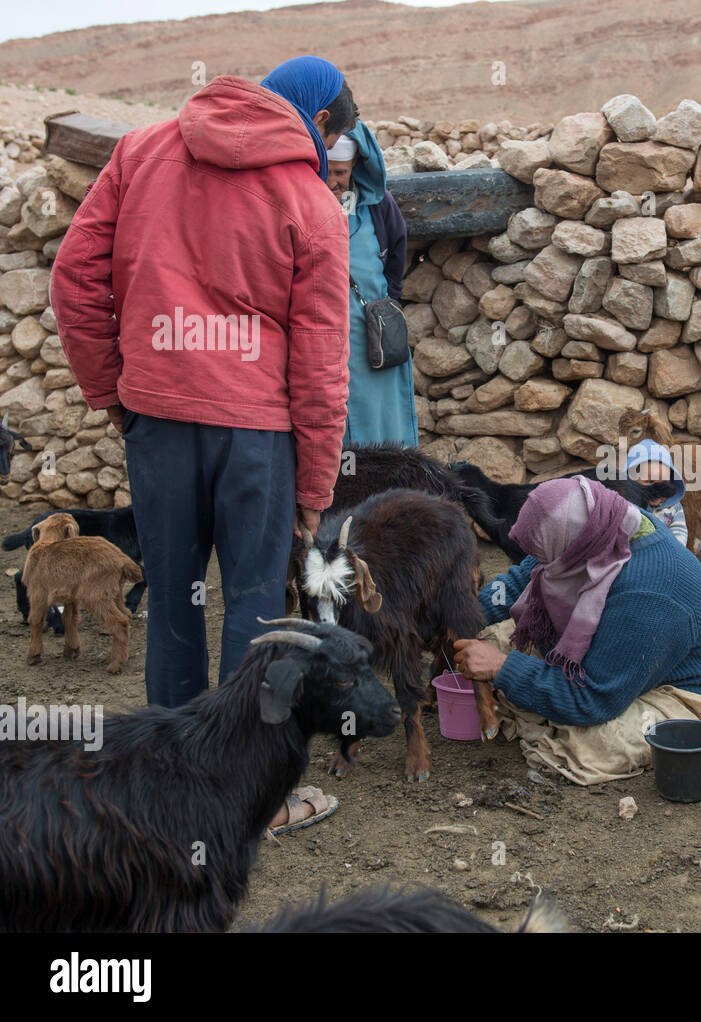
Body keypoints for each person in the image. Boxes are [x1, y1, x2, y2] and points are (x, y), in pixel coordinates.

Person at [51, 55, 357, 833]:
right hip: (258, 436)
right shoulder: (311, 201)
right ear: (319, 124)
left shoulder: (140, 150)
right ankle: (251, 800)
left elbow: (75, 277)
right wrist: (315, 488)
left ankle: (167, 791)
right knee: (258, 617)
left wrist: (113, 391)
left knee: (174, 606)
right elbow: (321, 363)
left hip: (159, 421)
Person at [452, 475, 701, 727]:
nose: (541, 565)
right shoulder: (597, 523)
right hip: (632, 657)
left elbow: (591, 699)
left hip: (682, 691)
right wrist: (461, 614)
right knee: (498, 636)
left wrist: (503, 668)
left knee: (583, 740)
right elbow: (523, 578)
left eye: (545, 557)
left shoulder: (646, 596)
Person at [324, 123, 417, 447]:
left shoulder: (377, 206)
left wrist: (387, 304)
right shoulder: (306, 204)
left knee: (383, 419)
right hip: (328, 339)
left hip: (372, 339)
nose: (333, 182)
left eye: (341, 172)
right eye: (326, 171)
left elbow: (395, 253)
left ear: (355, 168)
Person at [625, 438, 701, 604]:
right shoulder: (629, 507)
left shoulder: (673, 508)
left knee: (690, 565)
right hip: (640, 557)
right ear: (632, 481)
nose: (657, 489)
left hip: (669, 553)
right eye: (649, 482)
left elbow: (679, 528)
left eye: (664, 483)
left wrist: (675, 547)